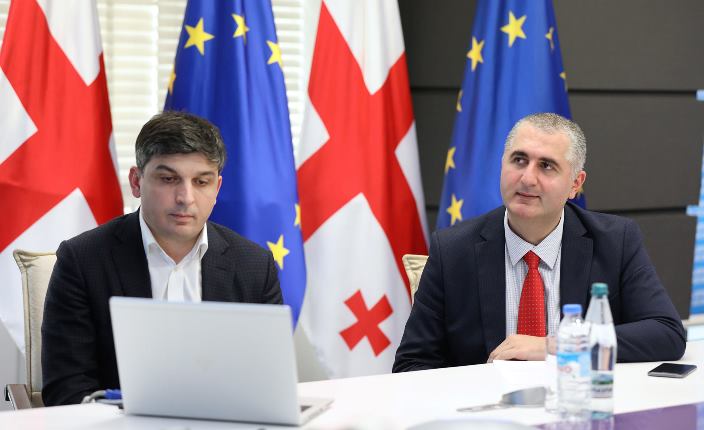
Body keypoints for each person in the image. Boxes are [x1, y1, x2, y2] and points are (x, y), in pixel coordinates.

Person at [393, 112, 686, 372]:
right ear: (502, 165)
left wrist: (555, 346)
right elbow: (412, 364)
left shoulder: (615, 241)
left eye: (546, 166)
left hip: (574, 402)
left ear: (575, 184)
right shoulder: (452, 250)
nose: (527, 178)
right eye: (519, 160)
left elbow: (666, 333)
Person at [42, 111, 282, 405]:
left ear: (217, 188)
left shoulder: (255, 266)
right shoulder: (82, 261)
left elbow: (268, 383)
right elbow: (66, 390)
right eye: (168, 179)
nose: (185, 198)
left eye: (201, 182)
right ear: (136, 182)